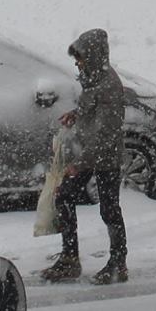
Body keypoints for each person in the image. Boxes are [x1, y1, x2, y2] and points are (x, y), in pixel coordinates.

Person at [39, 27, 128, 285]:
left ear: (95, 55)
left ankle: (118, 263)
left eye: (81, 57)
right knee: (65, 195)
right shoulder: (93, 78)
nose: (78, 62)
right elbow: (91, 107)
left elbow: (105, 134)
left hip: (105, 157)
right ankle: (69, 258)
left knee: (109, 210)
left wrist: (79, 165)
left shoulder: (109, 85)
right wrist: (76, 114)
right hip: (92, 153)